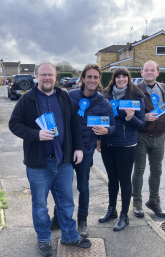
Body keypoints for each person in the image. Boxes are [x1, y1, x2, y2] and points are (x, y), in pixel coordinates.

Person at [9, 62, 91, 257]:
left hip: (63, 161)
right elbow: (14, 124)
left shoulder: (63, 96)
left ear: (56, 77)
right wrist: (36, 135)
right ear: (37, 76)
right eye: (43, 74)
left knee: (66, 203)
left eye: (50, 75)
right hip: (39, 163)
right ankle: (44, 239)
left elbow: (74, 124)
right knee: (40, 206)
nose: (47, 78)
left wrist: (78, 147)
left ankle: (70, 236)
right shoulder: (27, 99)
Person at [49, 64, 116, 238]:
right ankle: (58, 217)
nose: (92, 80)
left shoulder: (104, 102)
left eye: (95, 77)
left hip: (86, 151)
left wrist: (106, 132)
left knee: (83, 187)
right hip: (65, 150)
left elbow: (114, 125)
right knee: (62, 187)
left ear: (99, 80)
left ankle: (83, 220)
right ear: (83, 79)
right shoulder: (69, 96)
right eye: (89, 77)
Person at [97, 67, 145, 231]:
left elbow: (141, 124)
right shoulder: (105, 94)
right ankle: (112, 210)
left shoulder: (137, 95)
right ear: (114, 78)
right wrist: (98, 138)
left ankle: (124, 215)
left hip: (126, 144)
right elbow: (100, 117)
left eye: (124, 76)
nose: (121, 79)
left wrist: (131, 118)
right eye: (118, 76)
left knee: (124, 180)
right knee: (112, 178)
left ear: (128, 78)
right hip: (107, 142)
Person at [132, 60, 165, 219]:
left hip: (160, 136)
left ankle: (154, 201)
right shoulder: (134, 90)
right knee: (139, 170)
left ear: (157, 72)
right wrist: (143, 116)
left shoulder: (163, 88)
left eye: (152, 70)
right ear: (141, 73)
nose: (149, 72)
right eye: (146, 70)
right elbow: (126, 112)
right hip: (142, 135)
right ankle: (137, 202)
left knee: (157, 170)